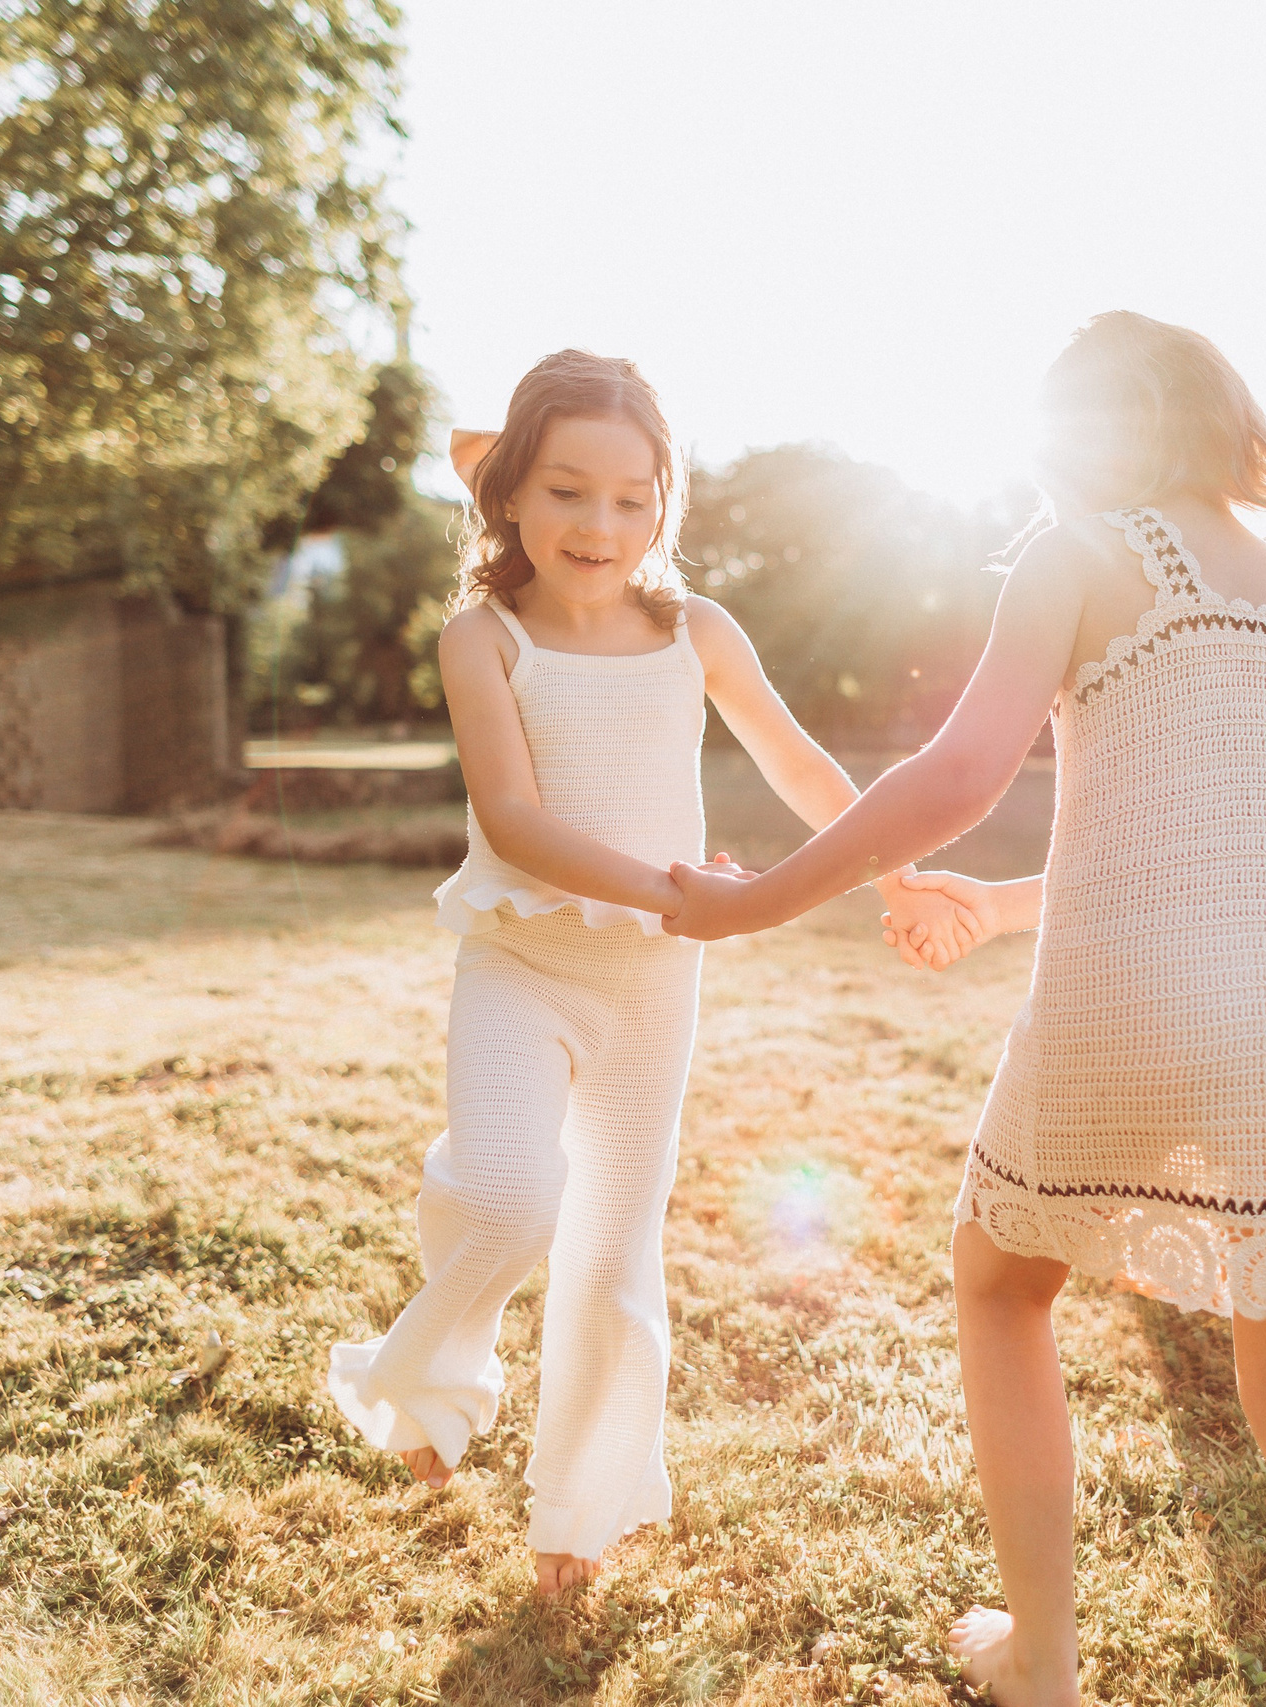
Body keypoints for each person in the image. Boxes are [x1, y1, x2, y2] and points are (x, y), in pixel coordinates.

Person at [664, 314, 1266, 1705]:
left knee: (999, 1279)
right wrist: (1003, 902)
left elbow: (960, 771)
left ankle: (1040, 1659)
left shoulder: (1078, 552)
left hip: (1146, 989)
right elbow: (1225, 835)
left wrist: (761, 898)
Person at [326, 350, 979, 1597]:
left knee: (610, 1253)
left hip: (648, 989)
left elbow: (801, 768)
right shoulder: (483, 639)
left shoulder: (695, 633)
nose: (601, 525)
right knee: (507, 1198)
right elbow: (514, 823)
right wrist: (683, 892)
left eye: (633, 499)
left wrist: (891, 875)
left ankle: (578, 1511)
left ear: (664, 505)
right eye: (567, 492)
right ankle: (422, 1384)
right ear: (510, 495)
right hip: (520, 962)